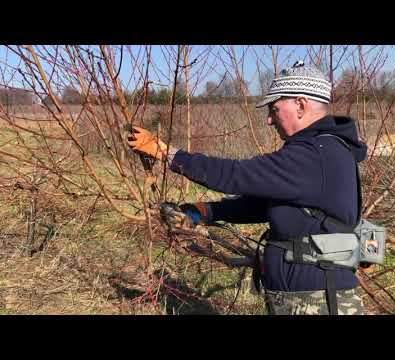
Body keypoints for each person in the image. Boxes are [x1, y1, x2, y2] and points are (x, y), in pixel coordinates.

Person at [127, 61, 366, 315]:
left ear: (300, 104)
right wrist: (204, 212)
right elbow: (268, 205)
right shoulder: (319, 151)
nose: (269, 120)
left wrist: (167, 153)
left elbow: (236, 174)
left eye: (274, 110)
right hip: (307, 297)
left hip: (319, 301)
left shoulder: (315, 155)